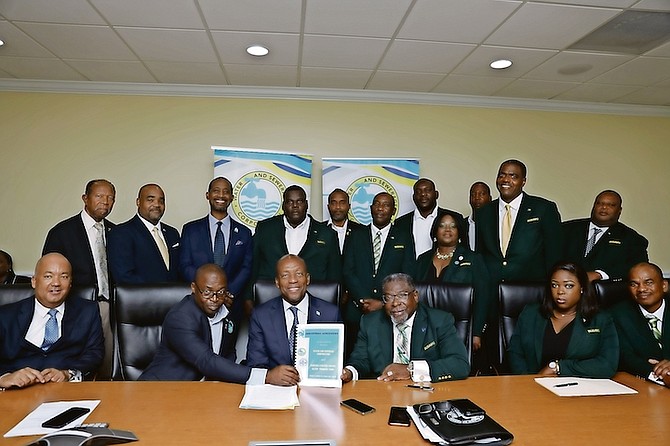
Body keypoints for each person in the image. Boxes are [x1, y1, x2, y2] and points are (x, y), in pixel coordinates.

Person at [139, 263, 300, 386]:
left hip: (201, 394)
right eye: (207, 292)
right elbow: (206, 361)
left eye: (221, 292)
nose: (215, 299)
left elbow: (228, 353)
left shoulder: (226, 314)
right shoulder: (180, 318)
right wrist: (266, 376)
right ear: (194, 288)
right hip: (161, 390)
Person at [42, 179, 116, 378]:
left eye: (110, 198)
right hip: (75, 308)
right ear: (85, 198)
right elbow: (48, 275)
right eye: (99, 196)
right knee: (73, 365)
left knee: (106, 364)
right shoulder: (62, 232)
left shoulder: (116, 232)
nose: (105, 202)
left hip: (110, 308)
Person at [341, 273, 469, 383]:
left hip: (424, 392)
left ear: (415, 296)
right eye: (388, 297)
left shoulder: (439, 321)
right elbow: (360, 361)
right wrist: (350, 372)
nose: (395, 303)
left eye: (402, 295)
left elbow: (460, 364)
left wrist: (411, 369)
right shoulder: (370, 323)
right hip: (384, 392)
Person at [0, 253, 104, 389]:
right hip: (16, 392)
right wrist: (4, 377)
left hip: (65, 391)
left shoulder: (87, 311)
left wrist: (69, 374)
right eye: (48, 276)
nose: (56, 283)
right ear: (34, 281)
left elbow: (94, 353)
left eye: (64, 277)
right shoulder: (6, 315)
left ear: (70, 283)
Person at [507, 261, 618, 378]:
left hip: (579, 389)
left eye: (568, 286)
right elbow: (515, 354)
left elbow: (607, 365)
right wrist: (529, 381)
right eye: (554, 285)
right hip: (532, 387)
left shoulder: (601, 319)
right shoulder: (531, 313)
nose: (560, 292)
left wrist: (559, 368)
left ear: (582, 288)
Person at [247, 185, 341, 313]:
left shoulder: (327, 234)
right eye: (290, 202)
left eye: (299, 201)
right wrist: (247, 298)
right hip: (270, 302)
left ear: (306, 204)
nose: (295, 205)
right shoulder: (265, 229)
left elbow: (334, 273)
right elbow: (253, 264)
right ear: (283, 205)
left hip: (315, 305)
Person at [342, 192, 414, 354]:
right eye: (377, 204)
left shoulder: (403, 236)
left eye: (386, 205)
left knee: (384, 357)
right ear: (371, 208)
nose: (380, 208)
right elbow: (348, 271)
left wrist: (384, 303)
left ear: (393, 210)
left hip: (392, 310)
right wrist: (363, 301)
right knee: (357, 357)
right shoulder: (356, 235)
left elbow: (407, 274)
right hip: (358, 310)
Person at [415, 211, 493, 355]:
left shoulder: (473, 259)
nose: (447, 230)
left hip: (458, 330)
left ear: (460, 231)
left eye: (453, 226)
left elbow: (483, 297)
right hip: (425, 329)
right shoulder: (423, 259)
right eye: (442, 226)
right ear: (435, 231)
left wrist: (477, 333)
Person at [246, 255, 342, 369]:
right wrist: (270, 375)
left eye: (299, 274)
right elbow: (256, 363)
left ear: (308, 279)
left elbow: (334, 363)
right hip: (275, 385)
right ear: (277, 282)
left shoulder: (331, 314)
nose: (293, 280)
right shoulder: (260, 315)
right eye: (285, 275)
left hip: (316, 384)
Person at [179, 177, 253, 324]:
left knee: (228, 347)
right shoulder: (190, 230)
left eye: (226, 192)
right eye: (216, 191)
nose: (221, 195)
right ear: (208, 195)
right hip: (198, 304)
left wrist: (226, 294)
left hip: (231, 305)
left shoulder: (244, 233)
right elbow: (184, 265)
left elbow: (246, 268)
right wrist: (209, 292)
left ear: (231, 197)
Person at [475, 160, 562, 284]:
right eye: (502, 175)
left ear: (523, 181)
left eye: (513, 176)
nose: (505, 180)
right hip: (491, 288)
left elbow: (554, 253)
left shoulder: (543, 208)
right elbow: (480, 255)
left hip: (532, 288)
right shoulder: (484, 212)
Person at [562, 190, 648, 282]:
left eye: (611, 205)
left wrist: (600, 274)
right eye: (599, 203)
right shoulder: (566, 229)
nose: (604, 207)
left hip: (605, 292)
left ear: (619, 210)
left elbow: (638, 268)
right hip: (565, 286)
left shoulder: (632, 239)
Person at [609, 262, 670, 384]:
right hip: (647, 384)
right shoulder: (617, 315)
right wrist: (658, 373)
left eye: (649, 282)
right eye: (634, 284)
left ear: (664, 285)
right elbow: (624, 356)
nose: (641, 289)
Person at [108, 183, 181, 284]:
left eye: (161, 200)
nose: (157, 204)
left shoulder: (172, 233)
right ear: (138, 202)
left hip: (176, 298)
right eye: (150, 200)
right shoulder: (121, 233)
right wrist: (159, 292)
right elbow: (123, 276)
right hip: (142, 298)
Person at [394, 178, 466, 259]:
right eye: (418, 191)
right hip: (410, 271)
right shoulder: (400, 223)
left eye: (427, 190)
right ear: (413, 197)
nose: (423, 194)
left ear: (436, 194)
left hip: (443, 269)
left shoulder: (454, 218)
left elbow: (464, 249)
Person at [324, 188, 364, 254]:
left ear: (349, 206)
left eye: (342, 203)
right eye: (334, 203)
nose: (338, 207)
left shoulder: (361, 231)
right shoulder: (319, 231)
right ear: (328, 206)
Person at [466, 181, 492, 250]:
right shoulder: (462, 224)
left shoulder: (496, 223)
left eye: (482, 194)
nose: (477, 198)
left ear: (490, 198)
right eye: (473, 194)